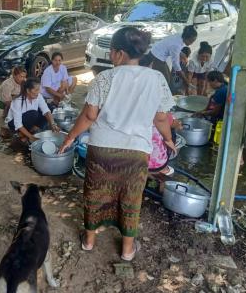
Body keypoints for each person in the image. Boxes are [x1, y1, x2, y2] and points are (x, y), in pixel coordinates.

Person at [59, 27, 175, 261]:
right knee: (131, 198)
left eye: (111, 51)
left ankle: (89, 241)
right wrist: (169, 139)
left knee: (94, 193)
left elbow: (89, 116)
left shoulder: (105, 78)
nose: (110, 55)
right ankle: (127, 250)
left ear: (120, 53)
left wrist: (70, 137)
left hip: (102, 149)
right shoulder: (157, 79)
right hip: (136, 151)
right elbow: (161, 117)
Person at [6, 78, 60, 143]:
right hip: (13, 123)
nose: (38, 92)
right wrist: (32, 138)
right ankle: (23, 134)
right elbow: (18, 124)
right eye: (36, 90)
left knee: (50, 108)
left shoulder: (38, 96)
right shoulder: (18, 102)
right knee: (33, 114)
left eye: (39, 89)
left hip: (29, 118)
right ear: (28, 91)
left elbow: (46, 110)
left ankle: (32, 129)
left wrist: (53, 124)